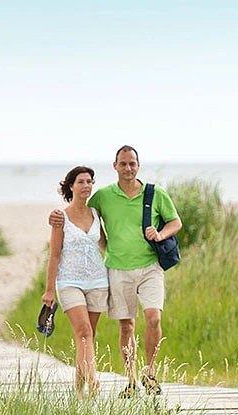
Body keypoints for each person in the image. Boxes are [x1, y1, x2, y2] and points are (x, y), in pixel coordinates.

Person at [50, 146, 182, 397]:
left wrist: (161, 234)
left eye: (132, 163)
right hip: (118, 269)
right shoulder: (104, 196)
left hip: (150, 267)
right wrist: (57, 216)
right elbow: (82, 211)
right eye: (123, 164)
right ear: (115, 166)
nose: (128, 168)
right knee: (126, 327)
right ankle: (131, 380)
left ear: (138, 165)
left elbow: (176, 222)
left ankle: (150, 374)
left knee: (154, 318)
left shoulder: (155, 194)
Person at [42, 166, 109, 398]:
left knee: (88, 335)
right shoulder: (61, 217)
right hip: (69, 282)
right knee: (83, 331)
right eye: (81, 182)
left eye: (89, 181)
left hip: (98, 281)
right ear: (71, 186)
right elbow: (55, 254)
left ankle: (80, 391)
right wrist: (49, 290)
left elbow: (104, 245)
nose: (86, 186)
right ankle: (93, 379)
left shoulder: (96, 214)